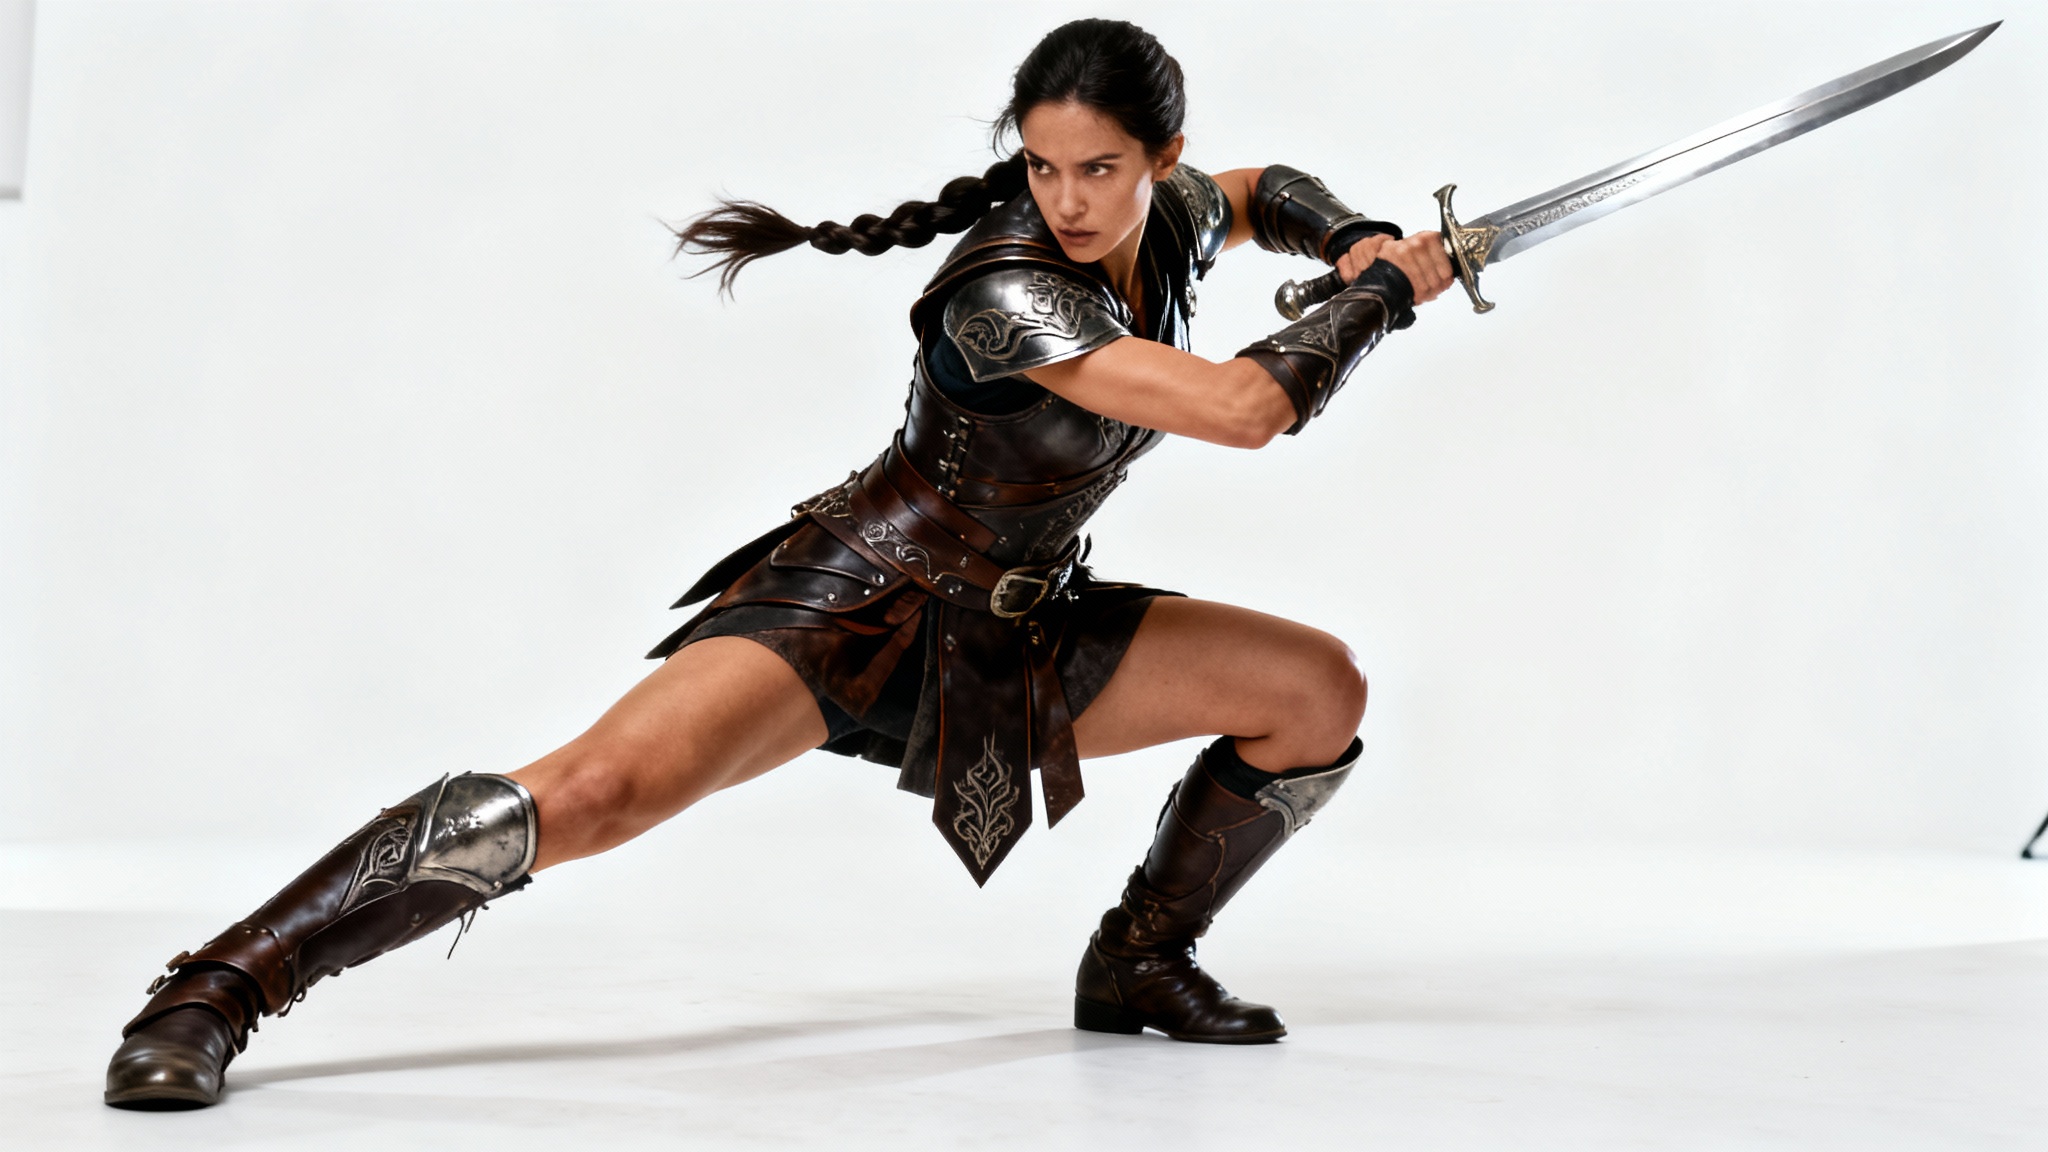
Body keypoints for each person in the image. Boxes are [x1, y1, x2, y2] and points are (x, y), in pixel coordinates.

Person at [102, 17, 1454, 1110]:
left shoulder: (1161, 224)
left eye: (1100, 169)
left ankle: (1142, 964)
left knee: (1316, 692)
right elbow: (1241, 410)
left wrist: (1341, 236)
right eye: (1044, 168)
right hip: (860, 601)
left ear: (1157, 154)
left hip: (1017, 627)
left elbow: (1251, 193)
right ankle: (215, 987)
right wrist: (1387, 295)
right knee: (597, 789)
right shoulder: (1003, 292)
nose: (1070, 198)